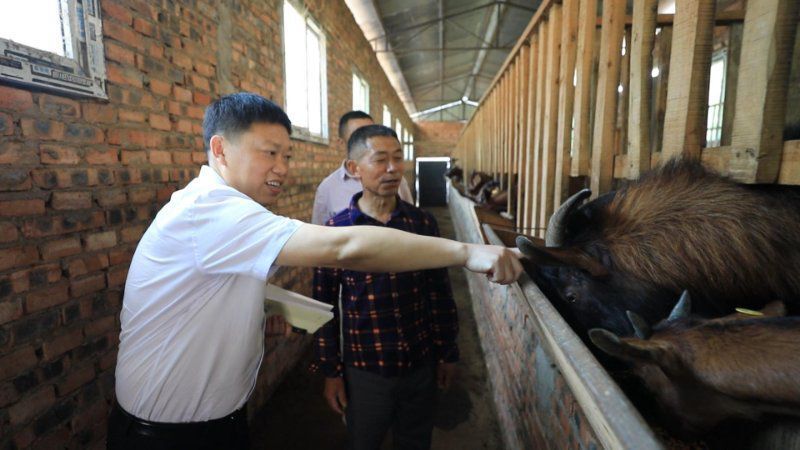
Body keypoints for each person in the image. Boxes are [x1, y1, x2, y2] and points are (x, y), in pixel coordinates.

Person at [107, 93, 522, 449]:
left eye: (286, 155)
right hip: (168, 436)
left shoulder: (218, 208)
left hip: (208, 423)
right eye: (269, 153)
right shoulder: (211, 210)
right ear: (220, 150)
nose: (283, 167)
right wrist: (467, 252)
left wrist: (263, 307)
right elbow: (345, 247)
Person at [313, 125, 458, 450]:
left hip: (420, 361)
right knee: (365, 441)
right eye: (380, 160)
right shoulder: (336, 231)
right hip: (366, 368)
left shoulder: (421, 224)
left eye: (397, 158)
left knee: (415, 441)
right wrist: (331, 372)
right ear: (354, 168)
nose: (392, 169)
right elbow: (324, 307)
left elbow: (439, 293)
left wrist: (447, 352)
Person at [311, 111, 413, 225]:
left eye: (372, 132)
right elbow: (321, 232)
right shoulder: (327, 189)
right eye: (358, 135)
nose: (391, 168)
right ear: (341, 143)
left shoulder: (397, 181)